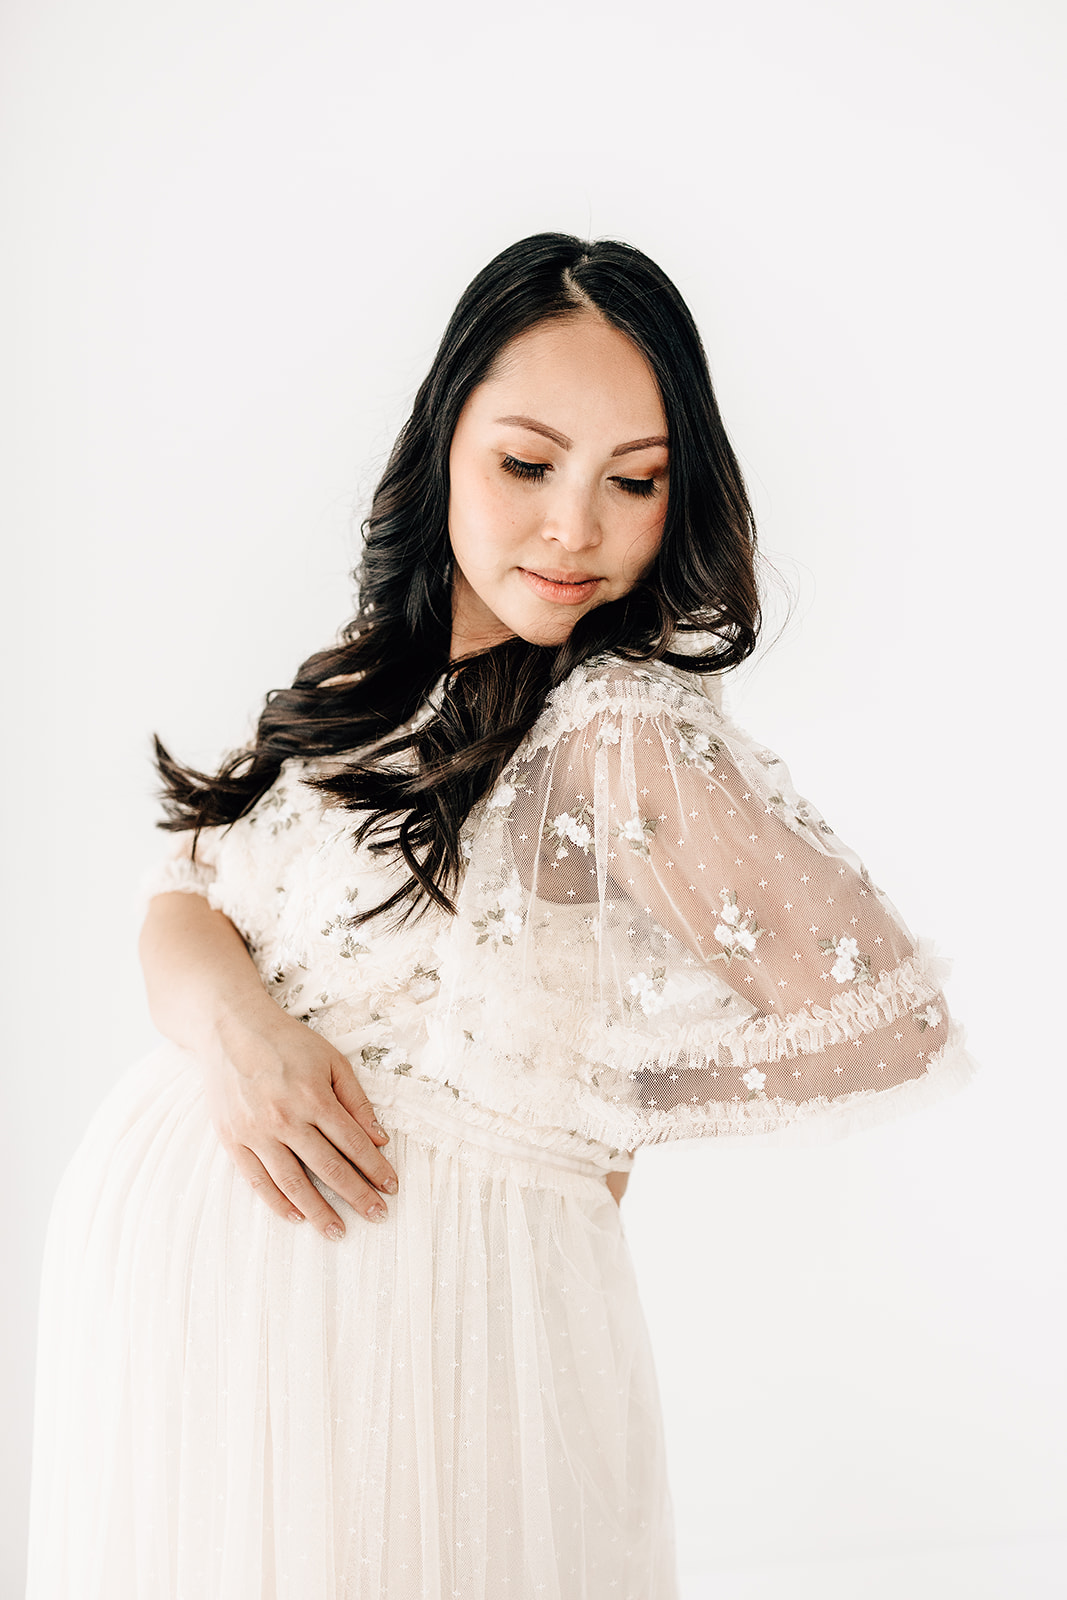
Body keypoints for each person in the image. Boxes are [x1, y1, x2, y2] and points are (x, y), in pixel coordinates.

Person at [25, 233, 975, 1599]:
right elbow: (177, 889)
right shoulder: (363, 684)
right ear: (444, 441)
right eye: (528, 464)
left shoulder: (619, 728)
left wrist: (592, 1090)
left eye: (634, 480)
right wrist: (237, 1029)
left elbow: (894, 1019)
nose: (576, 527)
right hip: (198, 1375)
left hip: (423, 1354)